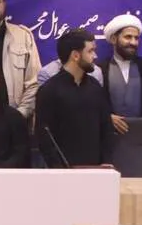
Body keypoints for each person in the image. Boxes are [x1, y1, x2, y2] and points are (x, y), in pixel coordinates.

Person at [35, 29, 113, 167]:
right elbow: (44, 138)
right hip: (63, 172)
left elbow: (106, 129)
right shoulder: (49, 90)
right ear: (76, 55)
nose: (95, 56)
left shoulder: (95, 87)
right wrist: (60, 169)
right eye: (90, 51)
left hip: (96, 169)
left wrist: (106, 162)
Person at [97, 14, 142, 135]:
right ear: (114, 39)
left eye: (136, 38)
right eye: (128, 37)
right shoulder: (100, 69)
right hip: (109, 136)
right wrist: (107, 118)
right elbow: (93, 104)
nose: (133, 42)